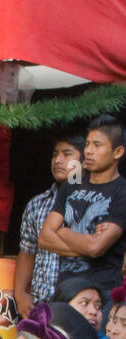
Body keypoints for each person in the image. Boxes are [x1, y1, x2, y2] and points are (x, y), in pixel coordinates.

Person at [40, 115, 126, 324]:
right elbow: (44, 238)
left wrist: (64, 232)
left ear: (118, 152)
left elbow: (97, 247)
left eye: (97, 145)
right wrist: (87, 244)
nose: (88, 151)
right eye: (87, 144)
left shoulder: (122, 191)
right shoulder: (72, 184)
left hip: (101, 296)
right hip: (66, 291)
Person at [14, 135, 85, 318]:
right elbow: (27, 251)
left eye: (67, 154)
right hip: (42, 304)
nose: (58, 160)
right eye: (55, 155)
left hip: (81, 307)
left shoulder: (97, 201)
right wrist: (20, 294)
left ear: (85, 161)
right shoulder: (38, 204)